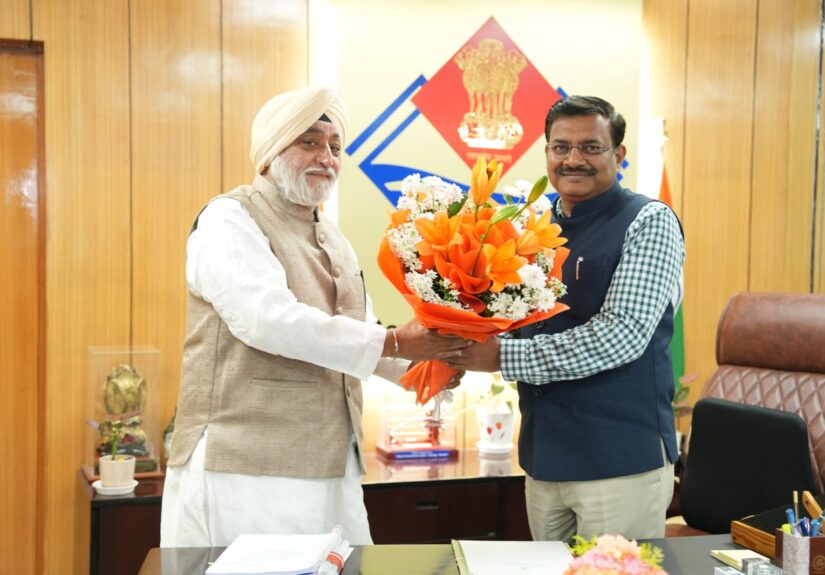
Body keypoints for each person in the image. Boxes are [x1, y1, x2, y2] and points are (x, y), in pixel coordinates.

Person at [160, 85, 469, 548]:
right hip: (244, 464)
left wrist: (425, 369)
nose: (326, 157)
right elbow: (268, 321)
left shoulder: (332, 236)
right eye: (309, 142)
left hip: (329, 462)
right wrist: (398, 345)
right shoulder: (230, 219)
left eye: (335, 147)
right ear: (270, 151)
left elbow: (364, 335)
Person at [446, 95, 684, 542]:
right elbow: (506, 315)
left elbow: (620, 336)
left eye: (591, 147)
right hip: (544, 458)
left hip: (619, 462)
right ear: (547, 153)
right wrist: (449, 345)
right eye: (561, 147)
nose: (573, 159)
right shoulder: (533, 225)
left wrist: (499, 356)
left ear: (619, 155)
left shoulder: (649, 222)